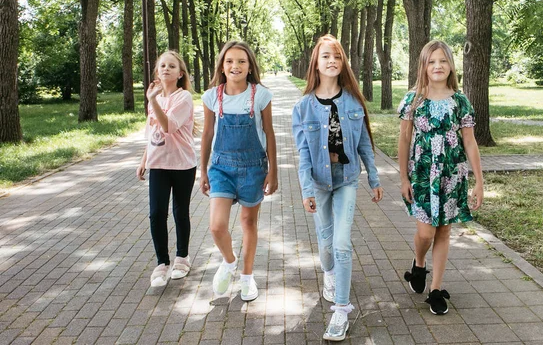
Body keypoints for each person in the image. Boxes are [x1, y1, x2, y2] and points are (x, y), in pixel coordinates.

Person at [292, 34, 383, 341]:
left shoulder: (353, 102)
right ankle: (329, 275)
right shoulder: (303, 107)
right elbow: (303, 154)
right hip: (318, 182)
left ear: (343, 63)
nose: (332, 61)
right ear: (315, 64)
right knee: (326, 244)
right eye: (326, 56)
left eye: (337, 57)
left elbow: (364, 144)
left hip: (345, 180)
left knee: (342, 244)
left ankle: (341, 311)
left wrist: (374, 178)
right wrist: (305, 189)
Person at [397, 40, 484, 315]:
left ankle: (435, 289)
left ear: (451, 66)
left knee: (444, 229)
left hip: (452, 175)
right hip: (422, 175)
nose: (438, 66)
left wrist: (480, 182)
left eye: (443, 61)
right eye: (432, 61)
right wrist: (403, 178)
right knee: (426, 232)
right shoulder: (413, 100)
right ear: (423, 66)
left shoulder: (460, 101)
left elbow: (470, 142)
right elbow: (404, 139)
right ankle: (419, 263)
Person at [199, 41, 278, 302]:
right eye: (230, 61)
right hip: (221, 167)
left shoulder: (260, 95)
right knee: (216, 225)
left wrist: (273, 171)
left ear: (250, 66)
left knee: (248, 223)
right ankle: (229, 262)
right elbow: (208, 133)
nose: (236, 66)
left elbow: (269, 133)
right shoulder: (212, 96)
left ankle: (247, 278)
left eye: (242, 61)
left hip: (253, 168)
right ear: (222, 66)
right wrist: (204, 170)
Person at [137, 51, 198, 288]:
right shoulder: (155, 98)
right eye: (162, 65)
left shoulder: (184, 98)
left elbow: (169, 126)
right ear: (157, 71)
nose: (166, 69)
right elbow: (152, 133)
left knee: (180, 212)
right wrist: (144, 159)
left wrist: (152, 100)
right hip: (158, 164)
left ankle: (182, 257)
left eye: (172, 66)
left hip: (182, 164)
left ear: (180, 73)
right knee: (156, 213)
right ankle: (162, 263)